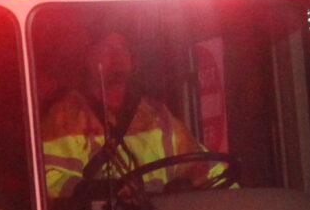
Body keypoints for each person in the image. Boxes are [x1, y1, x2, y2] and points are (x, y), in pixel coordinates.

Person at [39, 30, 201, 198]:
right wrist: (100, 190)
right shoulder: (67, 115)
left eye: (123, 48)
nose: (117, 57)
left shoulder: (158, 115)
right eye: (107, 49)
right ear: (88, 58)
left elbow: (203, 167)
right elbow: (48, 177)